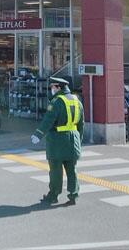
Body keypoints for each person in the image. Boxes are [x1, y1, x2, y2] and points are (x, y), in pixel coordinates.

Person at [31, 76, 84, 206]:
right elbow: (81, 124)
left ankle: (54, 195)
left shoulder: (56, 102)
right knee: (71, 169)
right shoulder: (77, 100)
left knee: (56, 170)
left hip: (57, 141)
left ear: (58, 87)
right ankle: (73, 195)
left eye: (53, 87)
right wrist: (79, 140)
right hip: (73, 140)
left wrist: (38, 134)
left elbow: (48, 121)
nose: (52, 89)